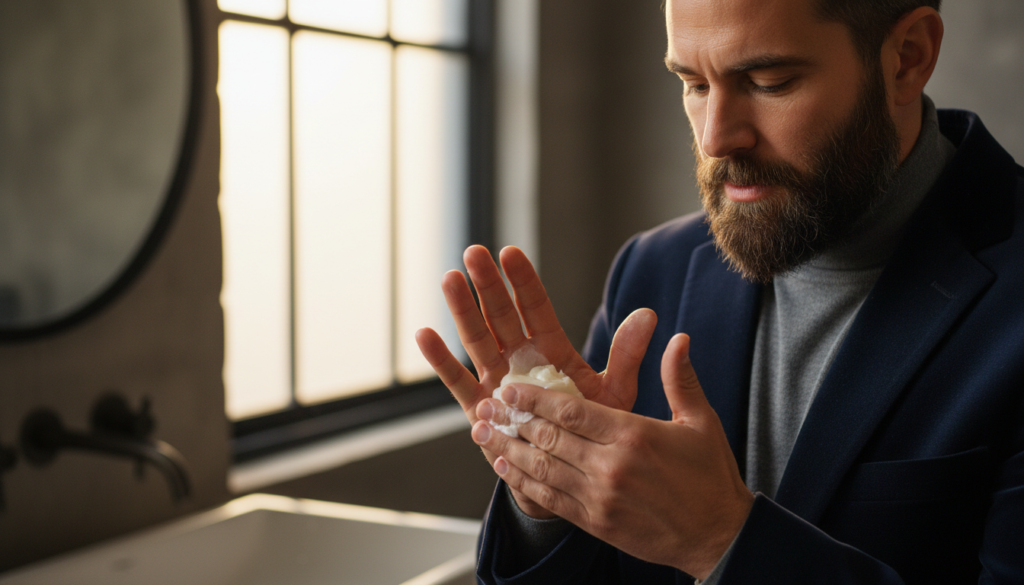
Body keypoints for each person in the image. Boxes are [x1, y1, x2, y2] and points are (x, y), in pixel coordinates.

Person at [415, 0, 1024, 582]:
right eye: (695, 85)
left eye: (769, 82)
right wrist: (549, 497)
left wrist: (720, 539)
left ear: (908, 57)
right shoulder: (652, 269)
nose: (715, 138)